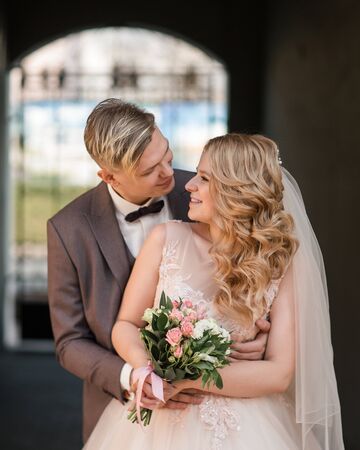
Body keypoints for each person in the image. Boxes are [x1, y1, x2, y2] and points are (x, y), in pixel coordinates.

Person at [83, 133, 344, 450]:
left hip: (249, 425)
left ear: (237, 191)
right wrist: (146, 370)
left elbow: (279, 374)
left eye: (204, 178)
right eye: (196, 174)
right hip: (160, 422)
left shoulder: (278, 262)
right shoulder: (167, 239)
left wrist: (186, 379)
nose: (189, 185)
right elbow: (126, 325)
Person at [47, 99, 270, 443]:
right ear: (109, 176)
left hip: (226, 411)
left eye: (166, 154)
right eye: (150, 171)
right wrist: (133, 376)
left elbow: (257, 275)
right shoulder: (68, 228)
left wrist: (258, 336)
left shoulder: (209, 190)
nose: (169, 173)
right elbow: (70, 341)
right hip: (124, 410)